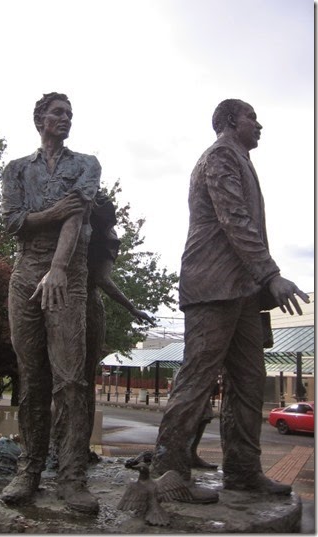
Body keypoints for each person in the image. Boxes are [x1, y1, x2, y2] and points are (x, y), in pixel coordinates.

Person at [151, 99, 310, 497]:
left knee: (249, 382)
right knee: (197, 378)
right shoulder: (221, 155)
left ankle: (241, 470)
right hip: (213, 286)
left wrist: (260, 281)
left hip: (242, 290)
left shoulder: (239, 158)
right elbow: (233, 218)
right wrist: (271, 275)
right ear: (228, 121)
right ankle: (166, 474)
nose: (259, 124)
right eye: (251, 117)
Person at [0, 92, 101, 513]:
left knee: (71, 380)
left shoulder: (86, 164)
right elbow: (12, 223)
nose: (66, 119)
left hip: (66, 274)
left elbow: (76, 217)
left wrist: (58, 267)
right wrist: (53, 211)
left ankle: (72, 476)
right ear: (40, 118)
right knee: (32, 379)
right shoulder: (16, 169)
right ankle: (29, 469)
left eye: (70, 114)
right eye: (58, 112)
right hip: (25, 274)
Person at [49, 192, 155, 464]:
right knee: (64, 380)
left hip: (86, 308)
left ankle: (75, 449)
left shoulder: (106, 237)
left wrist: (131, 308)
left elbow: (101, 279)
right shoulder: (70, 226)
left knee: (80, 382)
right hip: (62, 303)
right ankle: (59, 447)